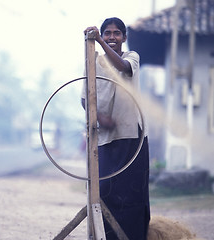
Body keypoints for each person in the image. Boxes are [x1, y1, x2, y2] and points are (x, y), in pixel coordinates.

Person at [81, 17, 150, 239]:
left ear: (124, 37)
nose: (112, 37)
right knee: (105, 190)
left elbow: (123, 68)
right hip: (104, 138)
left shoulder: (132, 57)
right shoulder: (93, 62)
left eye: (116, 33)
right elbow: (85, 98)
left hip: (131, 137)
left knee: (131, 194)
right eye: (107, 33)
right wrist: (100, 117)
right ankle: (105, 235)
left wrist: (99, 40)